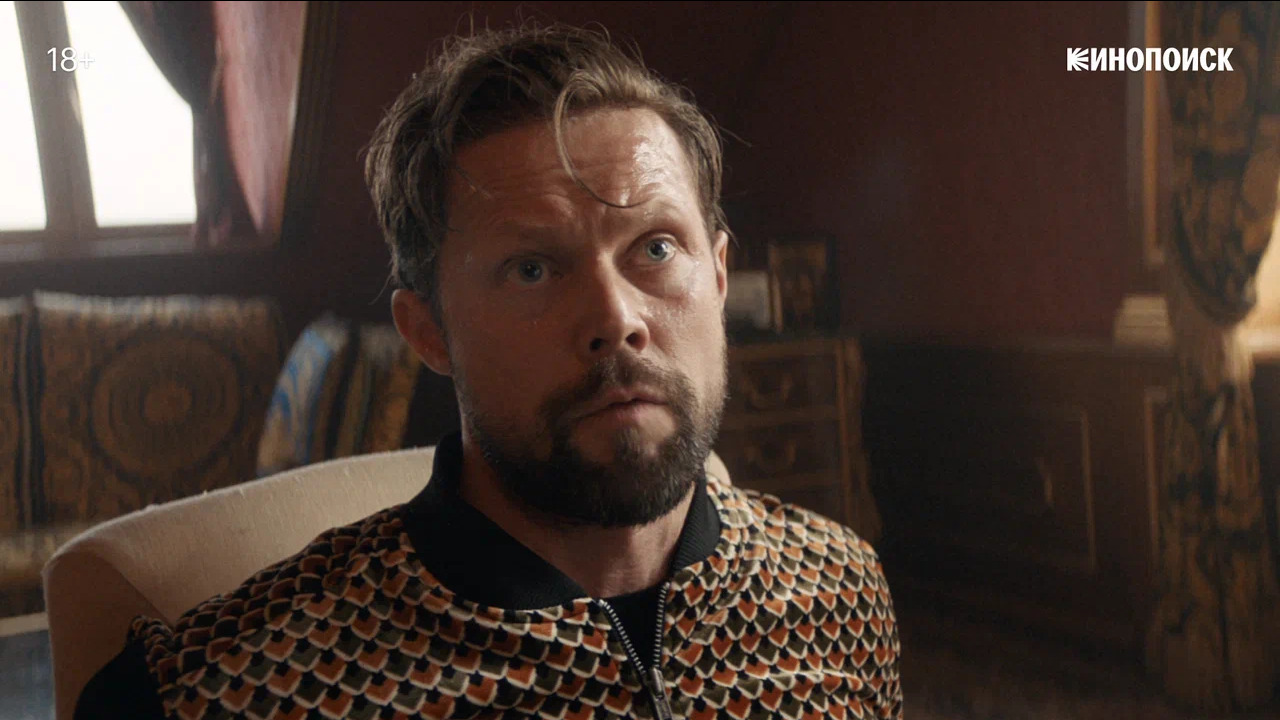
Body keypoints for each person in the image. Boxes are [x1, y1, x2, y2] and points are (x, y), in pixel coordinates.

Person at [75, 21, 903, 719]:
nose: (615, 318)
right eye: (532, 269)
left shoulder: (839, 593)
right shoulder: (229, 690)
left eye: (655, 248)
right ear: (428, 332)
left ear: (718, 278)